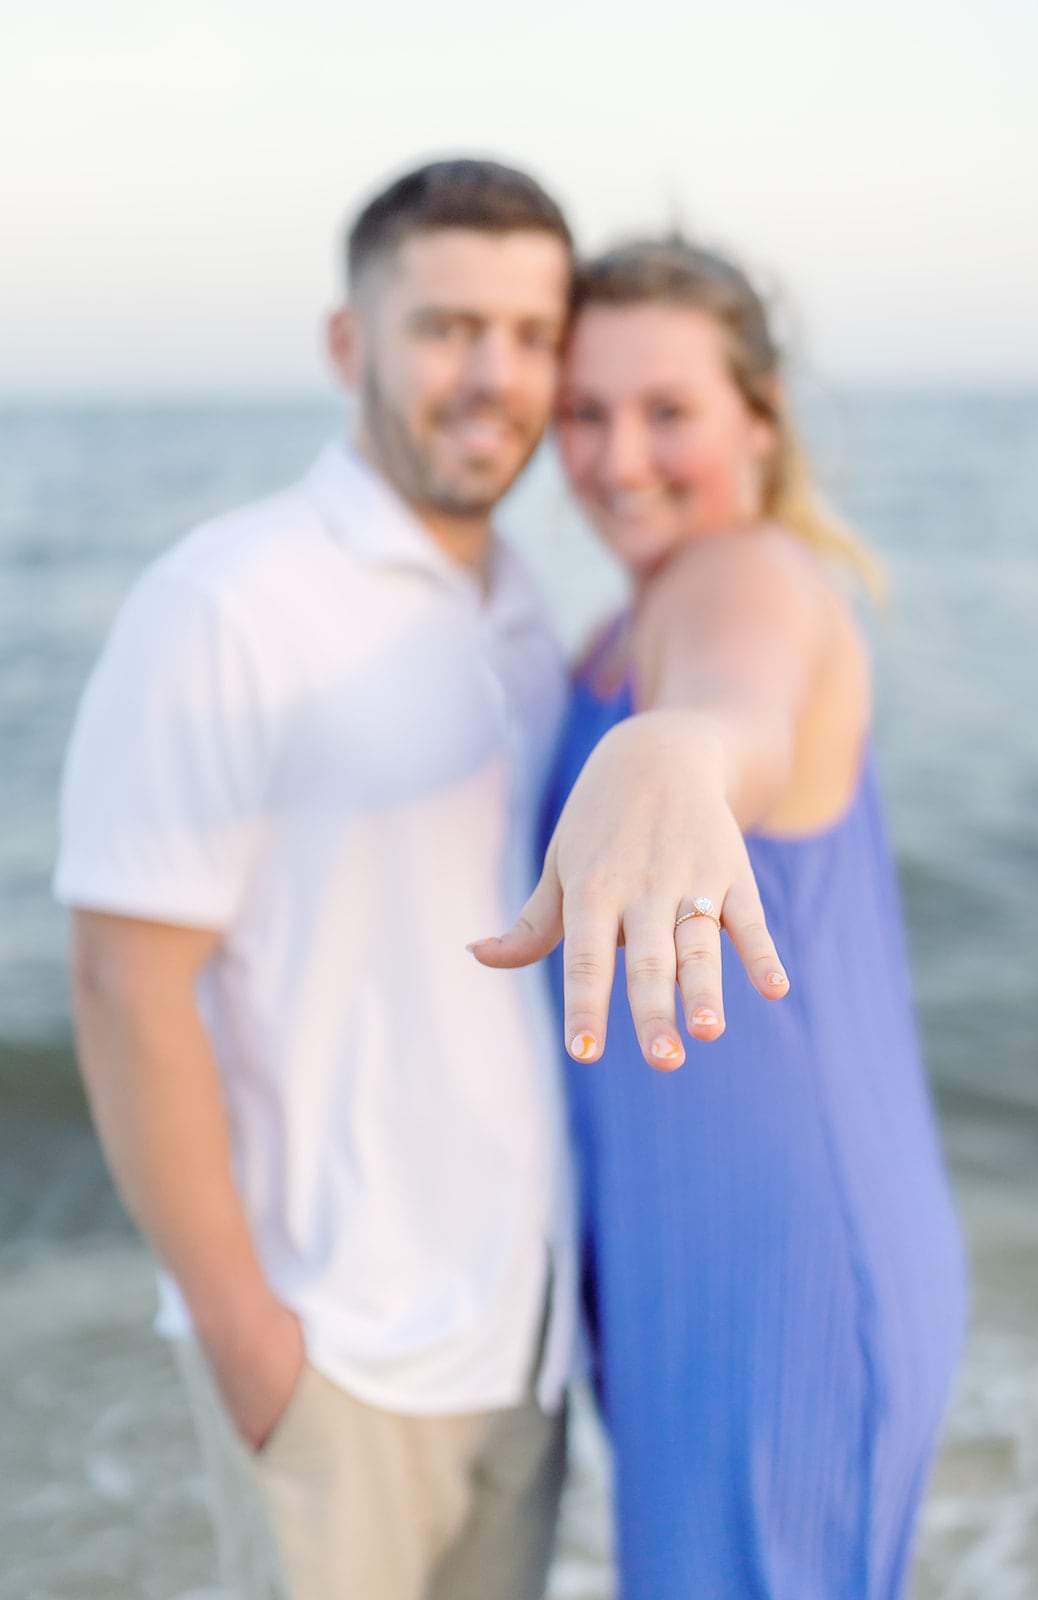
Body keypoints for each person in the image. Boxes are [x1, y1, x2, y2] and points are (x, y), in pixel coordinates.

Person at [55, 170, 786, 1600]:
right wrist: (247, 1334)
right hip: (337, 1350)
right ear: (351, 344)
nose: (496, 377)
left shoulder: (527, 611)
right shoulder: (231, 600)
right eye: (448, 327)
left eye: (530, 333)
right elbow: (122, 982)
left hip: (519, 1346)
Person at [479, 240, 968, 1599]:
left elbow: (734, 704)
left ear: (760, 418)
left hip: (785, 1267)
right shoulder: (614, 620)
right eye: (585, 411)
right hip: (680, 1259)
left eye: (668, 410)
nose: (618, 456)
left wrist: (674, 750)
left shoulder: (745, 578)